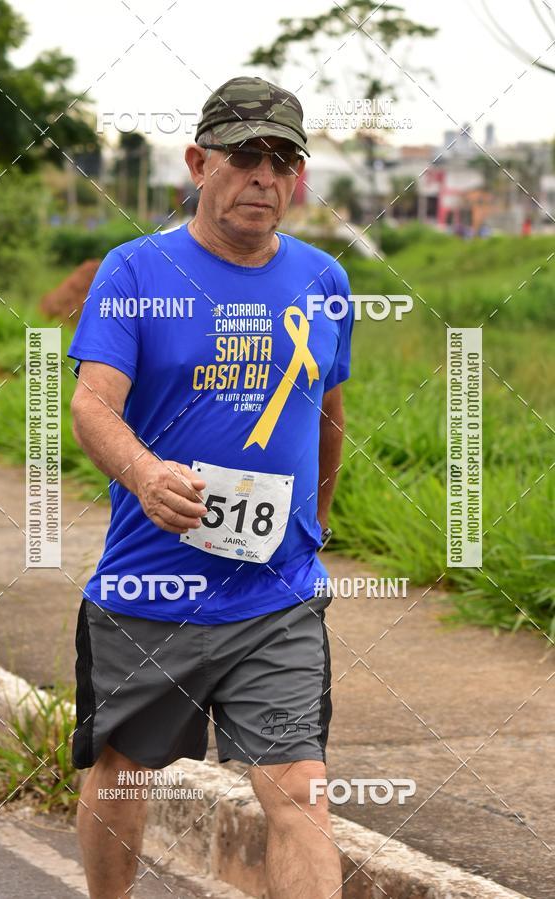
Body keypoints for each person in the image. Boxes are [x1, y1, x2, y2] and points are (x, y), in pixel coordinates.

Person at [68, 75, 354, 899]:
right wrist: (144, 472)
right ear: (199, 164)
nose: (264, 177)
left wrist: (314, 528)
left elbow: (330, 415)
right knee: (122, 773)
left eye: (283, 161)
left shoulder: (324, 280)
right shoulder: (134, 271)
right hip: (149, 588)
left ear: (298, 177)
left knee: (299, 792)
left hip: (276, 593)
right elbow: (92, 404)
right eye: (244, 157)